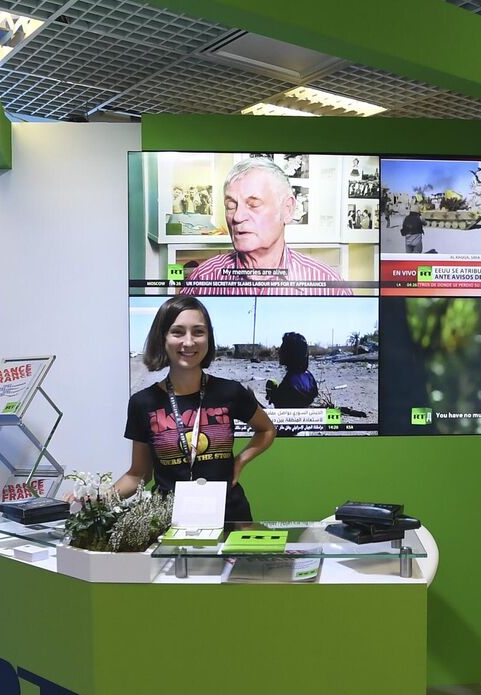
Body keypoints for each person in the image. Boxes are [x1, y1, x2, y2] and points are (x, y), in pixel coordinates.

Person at [114, 296, 276, 522]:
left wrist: (239, 462)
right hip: (167, 519)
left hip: (229, 515)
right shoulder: (143, 402)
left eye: (198, 332)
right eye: (178, 332)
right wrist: (96, 499)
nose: (188, 342)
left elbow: (267, 430)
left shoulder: (230, 392)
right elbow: (138, 474)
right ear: (163, 338)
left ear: (208, 338)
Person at [180, 158, 347, 297]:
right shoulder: (203, 279)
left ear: (287, 209)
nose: (237, 217)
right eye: (231, 206)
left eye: (253, 204)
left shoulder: (328, 284)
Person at [264, 332, 318, 408]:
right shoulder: (308, 376)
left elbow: (282, 410)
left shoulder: (289, 383)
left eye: (283, 348)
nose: (279, 351)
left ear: (290, 353)